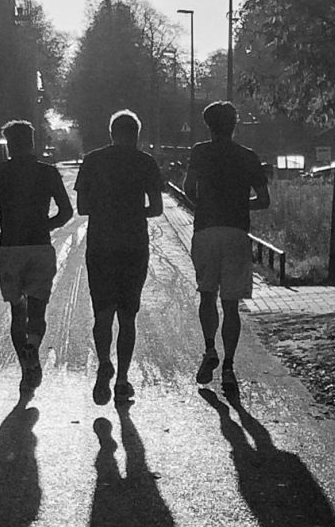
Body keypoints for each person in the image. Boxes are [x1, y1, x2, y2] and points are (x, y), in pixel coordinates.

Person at [74, 109, 165, 405]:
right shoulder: (145, 163)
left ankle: (104, 363)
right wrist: (133, 211)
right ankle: (123, 379)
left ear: (111, 133)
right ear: (136, 134)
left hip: (100, 246)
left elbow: (82, 208)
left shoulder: (92, 160)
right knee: (128, 317)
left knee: (102, 313)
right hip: (133, 246)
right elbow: (157, 209)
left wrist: (106, 209)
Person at [0, 119, 73, 389]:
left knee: (17, 311)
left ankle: (26, 369)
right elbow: (66, 212)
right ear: (32, 142)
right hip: (40, 247)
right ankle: (33, 345)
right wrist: (46, 225)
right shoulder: (48, 172)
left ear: (9, 144)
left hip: (10, 250)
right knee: (38, 309)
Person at [183, 100, 270, 392]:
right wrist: (238, 203)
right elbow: (264, 200)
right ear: (235, 125)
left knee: (207, 295)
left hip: (206, 230)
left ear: (208, 126)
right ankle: (230, 367)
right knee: (231, 304)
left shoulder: (200, 152)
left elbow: (187, 189)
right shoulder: (248, 156)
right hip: (236, 232)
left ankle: (210, 350)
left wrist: (205, 204)